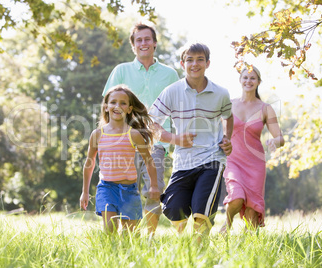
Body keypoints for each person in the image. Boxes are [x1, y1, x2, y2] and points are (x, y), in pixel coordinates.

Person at [149, 43, 234, 239]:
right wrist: (174, 138)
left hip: (212, 159)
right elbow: (150, 122)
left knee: (201, 215)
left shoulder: (221, 93)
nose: (194, 64)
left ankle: (198, 256)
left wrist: (227, 137)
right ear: (182, 63)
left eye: (200, 59)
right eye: (190, 59)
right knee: (173, 210)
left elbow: (228, 116)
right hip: (183, 162)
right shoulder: (172, 91)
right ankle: (185, 248)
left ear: (208, 63)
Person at [102, 22, 179, 234]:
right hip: (122, 141)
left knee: (154, 190)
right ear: (133, 46)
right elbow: (107, 106)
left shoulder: (170, 74)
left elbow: (177, 110)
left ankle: (149, 238)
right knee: (124, 191)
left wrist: (174, 141)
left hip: (156, 141)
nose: (143, 43)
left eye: (147, 39)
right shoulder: (121, 70)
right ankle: (127, 236)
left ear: (155, 43)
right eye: (139, 40)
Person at [80, 85, 160, 233]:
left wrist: (154, 186)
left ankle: (129, 256)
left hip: (129, 190)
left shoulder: (134, 134)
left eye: (123, 103)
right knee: (110, 229)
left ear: (129, 109)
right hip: (106, 188)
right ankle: (109, 255)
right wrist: (85, 192)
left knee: (131, 235)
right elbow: (89, 163)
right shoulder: (97, 134)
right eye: (113, 102)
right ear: (105, 107)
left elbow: (149, 160)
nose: (117, 106)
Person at [220, 65, 285, 233]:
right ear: (240, 80)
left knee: (252, 213)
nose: (248, 81)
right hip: (233, 159)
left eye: (252, 78)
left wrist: (275, 142)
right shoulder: (229, 105)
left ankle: (251, 249)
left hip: (255, 164)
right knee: (236, 197)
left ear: (258, 82)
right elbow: (218, 133)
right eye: (245, 77)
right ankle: (226, 225)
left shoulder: (265, 108)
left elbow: (280, 137)